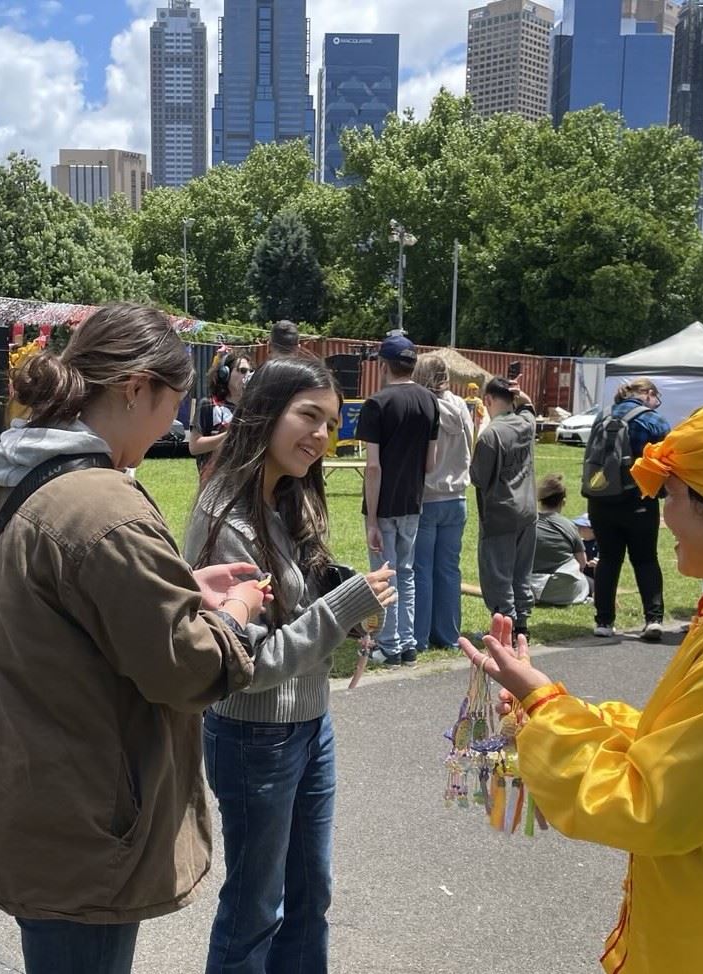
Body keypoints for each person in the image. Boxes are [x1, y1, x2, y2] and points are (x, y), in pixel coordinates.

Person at [461, 388, 703, 974]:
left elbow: (648, 804)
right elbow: (681, 738)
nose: (661, 513)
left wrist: (546, 709)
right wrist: (551, 701)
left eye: (670, 494)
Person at [0, 303, 269, 974]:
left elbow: (47, 607)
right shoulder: (106, 506)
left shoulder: (7, 473)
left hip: (22, 790)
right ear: (137, 387)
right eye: (174, 400)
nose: (175, 419)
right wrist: (233, 615)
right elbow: (188, 669)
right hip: (84, 817)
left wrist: (176, 587)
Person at [183, 356, 396, 974]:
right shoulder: (227, 515)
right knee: (255, 910)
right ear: (265, 413)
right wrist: (345, 607)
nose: (321, 437)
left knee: (312, 895)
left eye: (331, 424)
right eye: (308, 416)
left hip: (310, 723)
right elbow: (251, 660)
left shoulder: (291, 495)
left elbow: (297, 602)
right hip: (255, 734)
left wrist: (342, 592)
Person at [358, 333, 439, 666]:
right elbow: (430, 463)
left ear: (383, 364)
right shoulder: (430, 401)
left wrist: (372, 519)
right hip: (413, 500)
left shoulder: (376, 404)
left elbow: (373, 467)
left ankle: (389, 645)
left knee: (384, 575)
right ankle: (407, 643)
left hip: (385, 503)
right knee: (406, 572)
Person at [587, 378, 670, 641]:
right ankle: (653, 619)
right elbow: (668, 458)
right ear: (646, 393)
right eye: (654, 395)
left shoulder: (603, 417)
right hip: (640, 500)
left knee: (609, 560)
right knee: (645, 559)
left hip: (601, 500)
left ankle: (604, 621)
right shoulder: (653, 421)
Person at [411, 353, 474, 651]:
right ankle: (448, 635)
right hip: (457, 496)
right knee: (449, 569)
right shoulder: (461, 405)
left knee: (421, 569)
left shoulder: (423, 406)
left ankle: (420, 636)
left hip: (428, 496)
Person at [471, 377, 538, 639]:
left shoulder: (491, 435)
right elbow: (529, 407)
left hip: (500, 513)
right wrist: (520, 394)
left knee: (498, 576)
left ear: (487, 400)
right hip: (528, 510)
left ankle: (504, 629)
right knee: (522, 572)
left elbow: (478, 477)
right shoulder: (526, 424)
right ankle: (521, 626)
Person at [532, 473, 593, 606]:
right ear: (563, 502)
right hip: (563, 591)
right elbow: (582, 563)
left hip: (527, 588)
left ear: (540, 500)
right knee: (590, 583)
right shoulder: (569, 526)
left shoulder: (527, 524)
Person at [189, 349, 252, 474]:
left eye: (250, 371)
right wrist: (230, 435)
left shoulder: (252, 409)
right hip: (214, 480)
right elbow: (194, 447)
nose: (247, 375)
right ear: (225, 374)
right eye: (242, 371)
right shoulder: (209, 405)